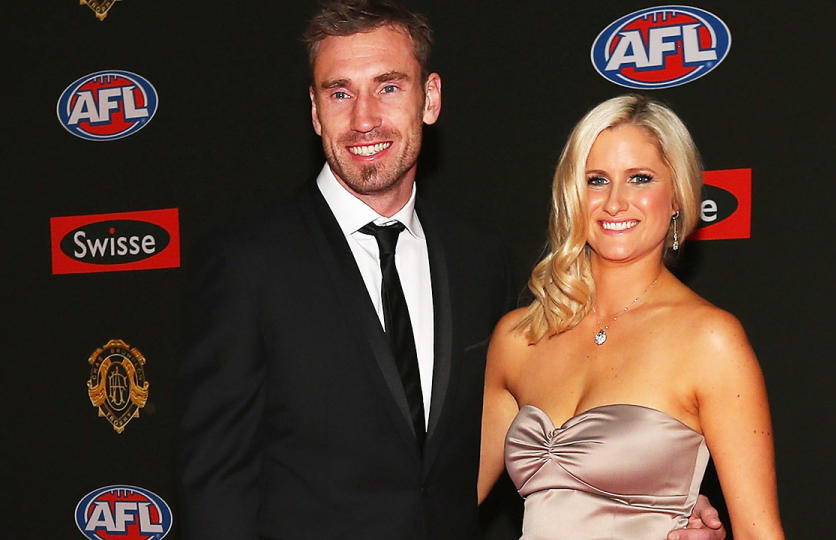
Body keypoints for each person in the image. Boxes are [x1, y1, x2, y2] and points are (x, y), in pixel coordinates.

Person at [176, 1, 725, 538]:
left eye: (388, 87)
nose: (364, 117)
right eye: (339, 93)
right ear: (315, 111)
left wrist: (654, 500)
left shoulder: (477, 260)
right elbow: (216, 481)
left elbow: (528, 435)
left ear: (429, 98)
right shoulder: (247, 262)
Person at [478, 95, 784, 539]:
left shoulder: (709, 339)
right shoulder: (519, 336)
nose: (615, 203)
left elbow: (760, 532)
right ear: (572, 194)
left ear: (677, 195)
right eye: (596, 180)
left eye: (640, 179)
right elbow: (443, 498)